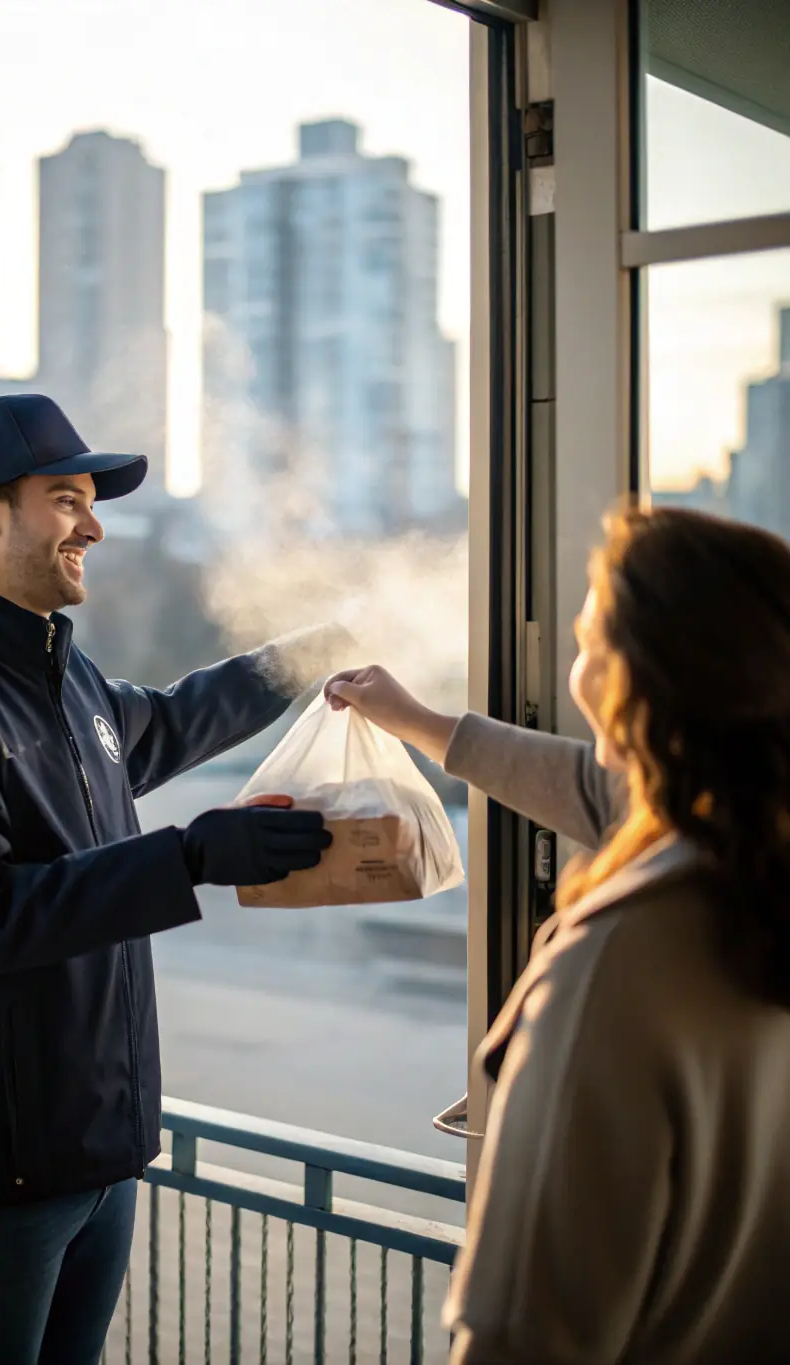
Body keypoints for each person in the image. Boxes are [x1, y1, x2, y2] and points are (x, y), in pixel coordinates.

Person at [0, 394, 336, 1365]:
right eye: (67, 499)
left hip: (103, 1160)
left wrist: (308, 653)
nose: (93, 525)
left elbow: (175, 721)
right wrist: (189, 857)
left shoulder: (67, 675)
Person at [326, 504, 790, 1364]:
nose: (575, 676)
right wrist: (418, 720)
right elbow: (588, 785)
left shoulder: (619, 960)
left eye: (587, 641)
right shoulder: (751, 858)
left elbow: (519, 1333)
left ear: (638, 678)